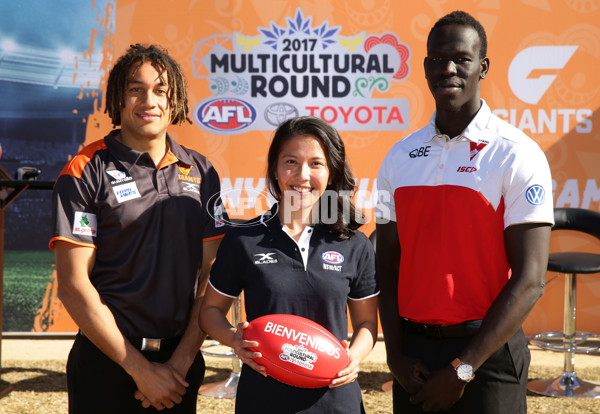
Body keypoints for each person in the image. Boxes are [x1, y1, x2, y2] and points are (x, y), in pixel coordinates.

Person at [375, 10, 554, 414]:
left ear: (483, 67)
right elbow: (386, 264)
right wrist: (395, 356)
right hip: (415, 358)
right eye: (437, 59)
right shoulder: (399, 157)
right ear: (424, 67)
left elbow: (530, 280)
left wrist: (463, 368)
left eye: (461, 58)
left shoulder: (516, 153)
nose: (448, 68)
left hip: (488, 354)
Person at [50, 44, 228, 413]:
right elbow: (72, 285)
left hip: (180, 364)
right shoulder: (86, 168)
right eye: (136, 89)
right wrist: (139, 369)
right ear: (119, 98)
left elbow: (213, 277)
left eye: (160, 90)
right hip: (106, 363)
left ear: (174, 100)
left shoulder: (202, 171)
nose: (149, 100)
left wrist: (178, 363)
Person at [199, 116, 379, 413]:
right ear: (274, 169)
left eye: (316, 164)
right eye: (291, 162)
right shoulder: (244, 239)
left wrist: (353, 358)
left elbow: (367, 324)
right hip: (264, 399)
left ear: (332, 173)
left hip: (335, 400)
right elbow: (209, 312)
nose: (302, 175)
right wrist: (234, 339)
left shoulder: (354, 243)